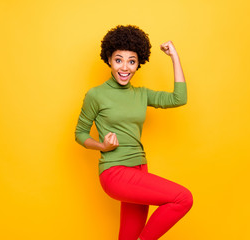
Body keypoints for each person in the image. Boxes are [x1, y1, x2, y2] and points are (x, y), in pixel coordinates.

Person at [75, 25, 193, 240]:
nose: (125, 67)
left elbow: (179, 98)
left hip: (140, 169)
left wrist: (174, 56)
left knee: (129, 236)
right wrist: (102, 146)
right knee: (182, 198)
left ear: (139, 64)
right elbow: (80, 133)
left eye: (132, 61)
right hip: (115, 172)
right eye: (119, 59)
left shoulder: (142, 94)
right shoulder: (96, 95)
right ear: (109, 59)